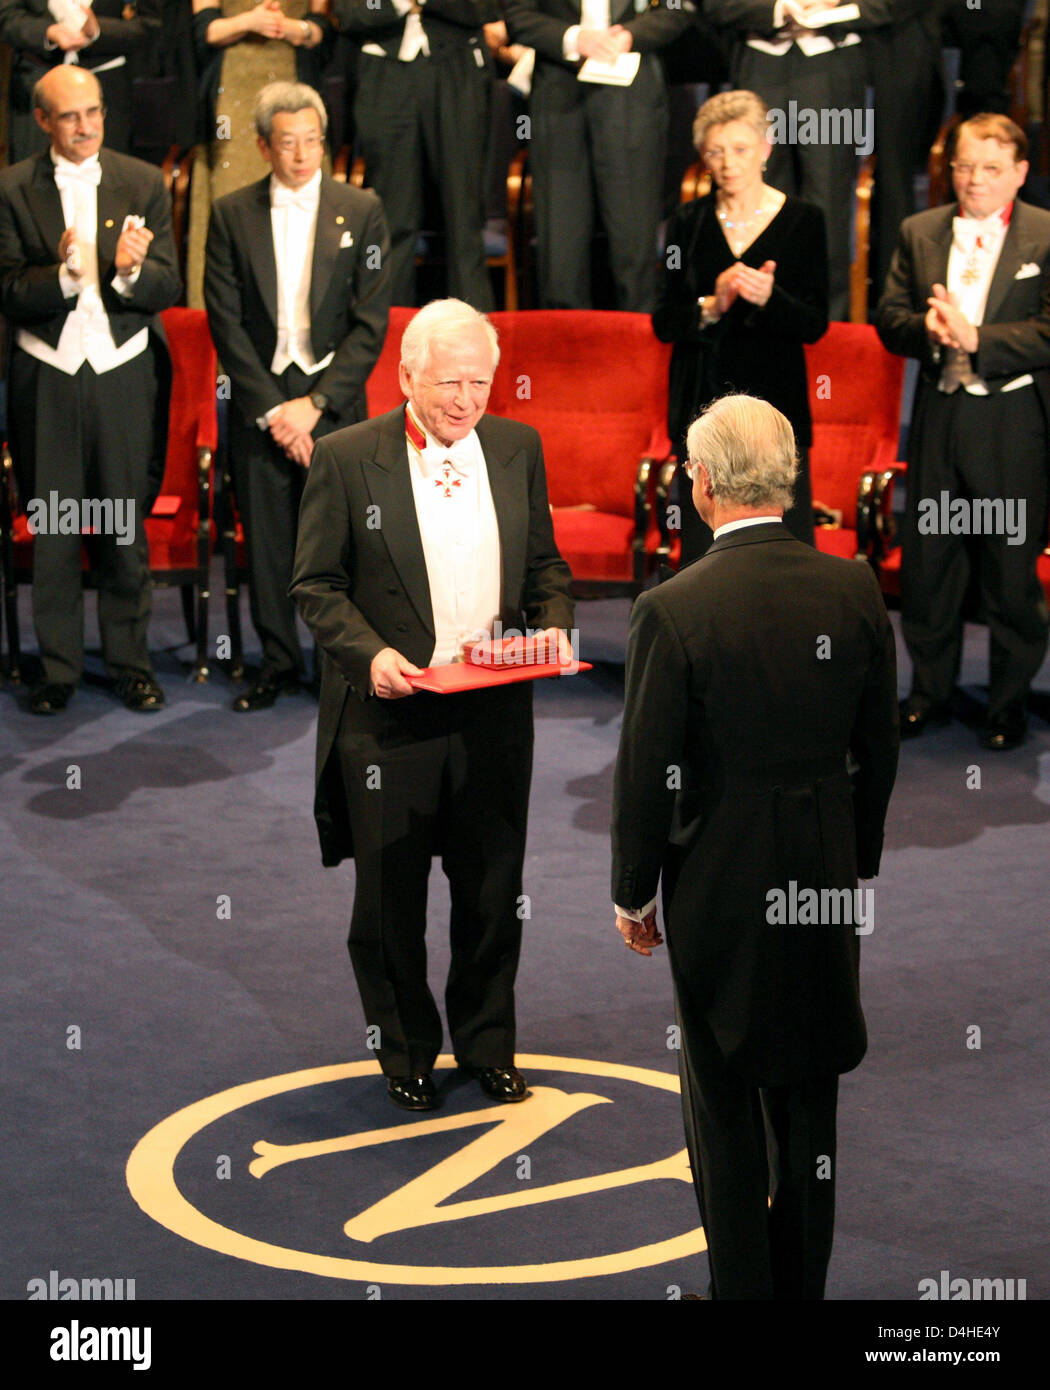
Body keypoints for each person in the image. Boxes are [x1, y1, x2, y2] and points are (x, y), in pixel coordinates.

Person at [610, 393, 899, 1301]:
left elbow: (646, 770)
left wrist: (634, 894)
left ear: (701, 483)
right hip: (821, 878)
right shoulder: (853, 586)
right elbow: (878, 750)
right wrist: (852, 859)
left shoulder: (673, 608)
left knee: (723, 1103)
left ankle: (742, 1290)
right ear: (788, 475)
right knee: (810, 1096)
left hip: (718, 890)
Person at [290, 298, 574, 1111]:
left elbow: (547, 567)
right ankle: (405, 1051)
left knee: (491, 892)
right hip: (389, 716)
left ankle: (488, 1045)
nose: (466, 399)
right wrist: (369, 655)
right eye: (449, 381)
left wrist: (551, 630)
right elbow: (316, 584)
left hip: (493, 711)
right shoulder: (347, 458)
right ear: (406, 373)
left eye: (480, 381)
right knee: (390, 900)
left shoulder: (519, 448)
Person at [204, 81, 391, 712]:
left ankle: (342, 667)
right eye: (289, 143)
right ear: (263, 146)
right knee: (269, 539)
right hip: (263, 396)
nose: (303, 154)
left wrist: (318, 404)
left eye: (313, 140)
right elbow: (224, 322)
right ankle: (277, 664)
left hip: (334, 398)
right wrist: (275, 409)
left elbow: (372, 323)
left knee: (345, 540)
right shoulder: (231, 214)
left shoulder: (361, 209)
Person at [0, 65, 181, 715]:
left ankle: (131, 664)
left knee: (121, 524)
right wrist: (68, 276)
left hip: (122, 369)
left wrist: (129, 275)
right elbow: (9, 291)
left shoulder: (142, 180)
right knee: (53, 524)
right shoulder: (13, 188)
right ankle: (57, 668)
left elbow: (169, 286)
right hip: (47, 371)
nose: (85, 127)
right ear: (43, 120)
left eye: (94, 113)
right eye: (70, 116)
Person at [876, 112, 1050, 751]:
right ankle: (928, 694)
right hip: (940, 418)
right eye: (964, 167)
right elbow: (888, 317)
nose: (975, 181)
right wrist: (930, 331)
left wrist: (980, 340)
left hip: (1011, 423)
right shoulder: (919, 231)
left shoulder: (1046, 235)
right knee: (931, 568)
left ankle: (1006, 706)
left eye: (991, 169)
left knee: (1009, 574)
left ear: (1020, 173)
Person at [652, 89, 827, 564]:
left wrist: (771, 297)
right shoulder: (686, 223)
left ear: (766, 149)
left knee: (784, 557)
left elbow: (815, 325)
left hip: (777, 409)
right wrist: (713, 302)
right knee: (701, 555)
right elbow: (665, 322)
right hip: (702, 408)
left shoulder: (805, 221)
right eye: (715, 152)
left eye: (740, 149)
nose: (728, 163)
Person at [705, 0, 892, 322]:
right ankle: (752, 315)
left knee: (828, 202)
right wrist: (780, 8)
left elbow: (885, 7)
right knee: (755, 196)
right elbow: (716, 6)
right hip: (761, 64)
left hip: (832, 64)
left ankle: (825, 322)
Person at [503, 0, 691, 313]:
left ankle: (638, 347)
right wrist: (574, 38)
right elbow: (517, 15)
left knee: (633, 247)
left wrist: (630, 35)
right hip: (557, 94)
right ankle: (566, 351)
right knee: (560, 253)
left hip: (631, 95)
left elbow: (679, 8)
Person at [334, 0, 496, 312]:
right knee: (392, 215)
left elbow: (486, 9)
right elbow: (349, 13)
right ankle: (390, 330)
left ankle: (471, 337)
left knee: (464, 215)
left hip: (457, 70)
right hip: (384, 74)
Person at [186, 0, 334, 308]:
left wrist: (294, 28)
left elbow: (324, 28)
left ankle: (303, 316)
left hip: (293, 82)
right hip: (233, 92)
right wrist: (249, 22)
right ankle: (226, 320)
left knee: (301, 194)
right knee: (232, 200)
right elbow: (206, 31)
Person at [0, 0, 162, 164]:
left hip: (109, 87)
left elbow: (150, 25)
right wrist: (48, 31)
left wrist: (99, 31)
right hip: (35, 84)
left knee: (109, 176)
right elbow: (6, 15)